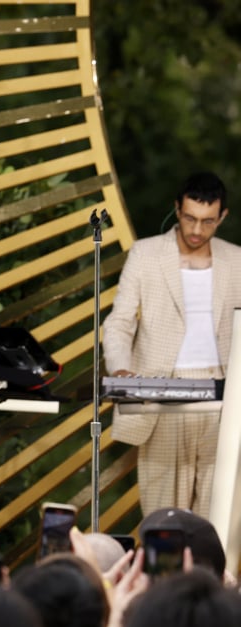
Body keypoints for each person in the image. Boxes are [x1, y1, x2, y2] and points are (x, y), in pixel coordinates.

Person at [103, 171, 241, 517]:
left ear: (222, 216)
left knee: (222, 517)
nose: (197, 230)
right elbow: (119, 323)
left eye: (208, 222)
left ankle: (216, 574)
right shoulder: (146, 253)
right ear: (177, 210)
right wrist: (121, 370)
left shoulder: (237, 259)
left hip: (226, 397)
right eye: (190, 218)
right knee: (165, 517)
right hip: (161, 391)